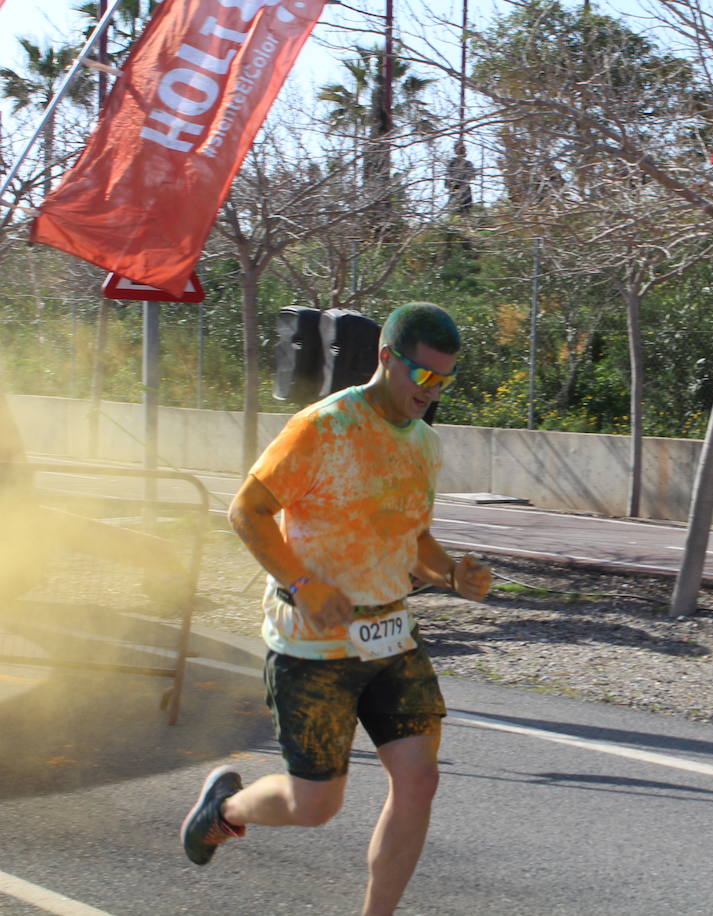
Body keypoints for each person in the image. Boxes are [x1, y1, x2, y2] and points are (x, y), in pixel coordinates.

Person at [180, 302, 492, 915]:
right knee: (316, 806)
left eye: (444, 380)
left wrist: (453, 573)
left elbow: (414, 541)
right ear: (385, 357)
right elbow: (246, 511)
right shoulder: (321, 427)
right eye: (423, 376)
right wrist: (300, 583)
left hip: (389, 636)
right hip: (312, 646)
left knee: (420, 780)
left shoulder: (425, 445)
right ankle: (226, 808)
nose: (432, 391)